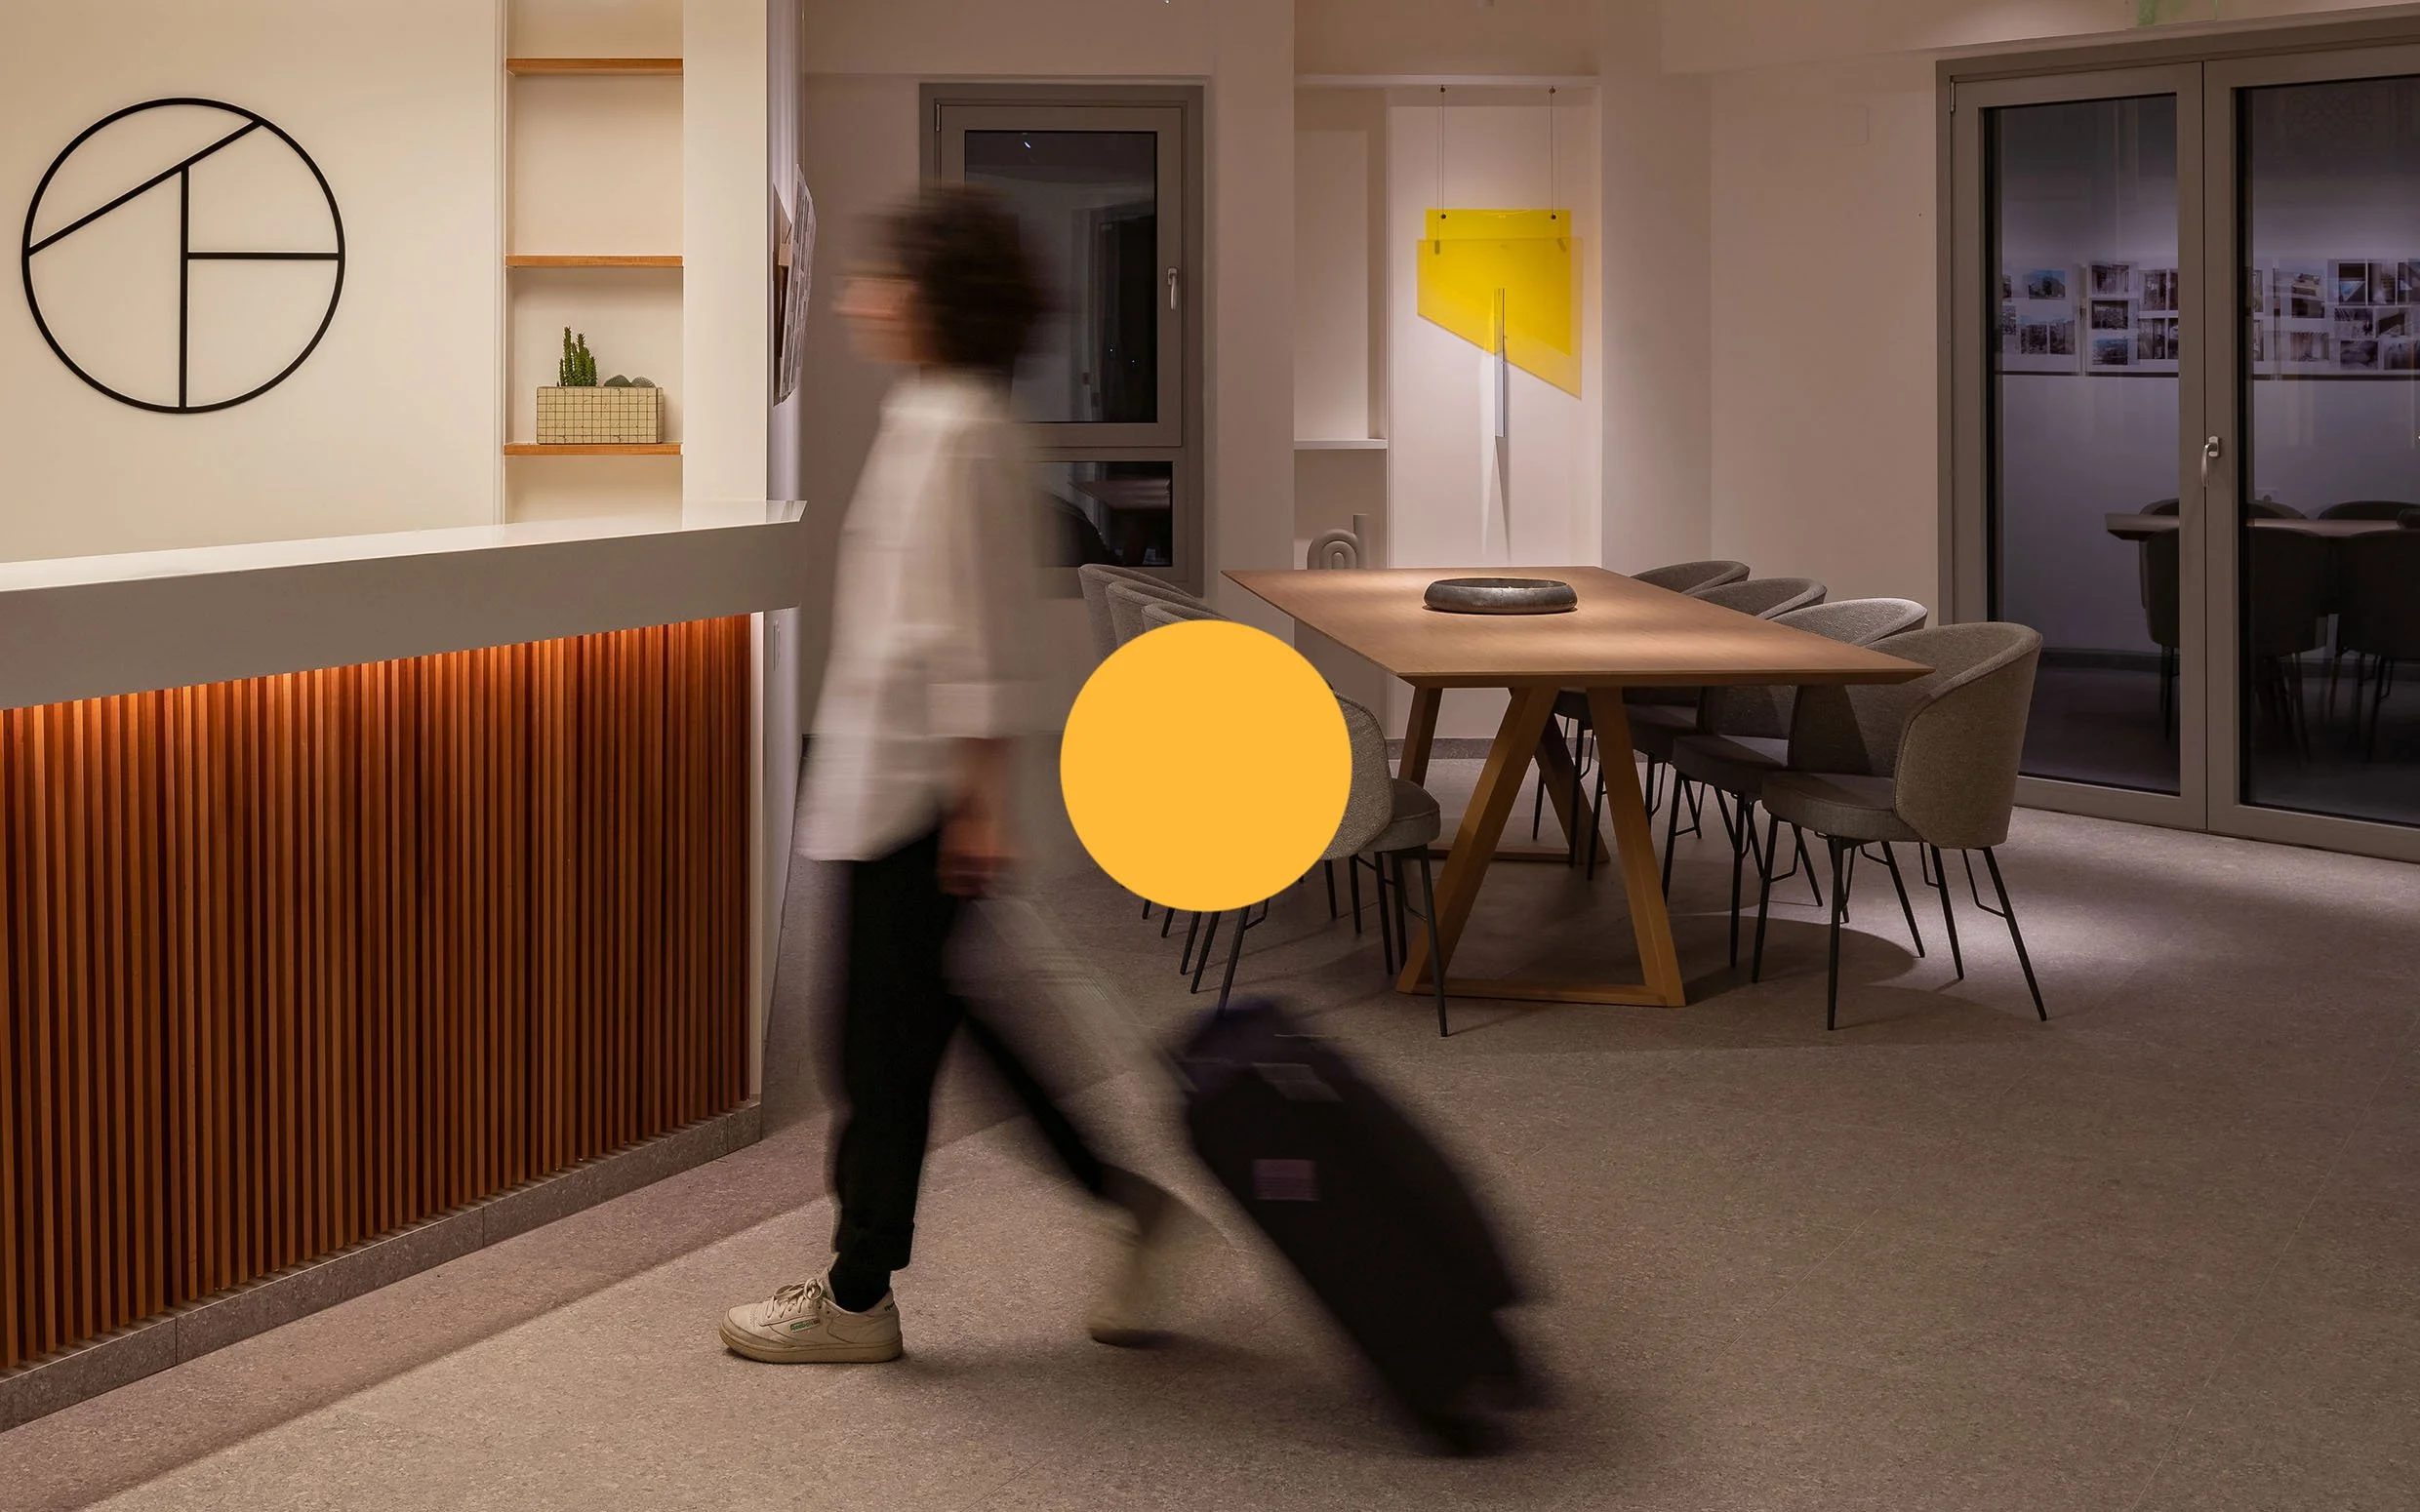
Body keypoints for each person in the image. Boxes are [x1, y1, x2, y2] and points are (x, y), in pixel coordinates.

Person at [720, 186, 1175, 1366]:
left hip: (919, 796)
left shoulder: (966, 428)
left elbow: (970, 632)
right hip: (881, 779)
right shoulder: (928, 411)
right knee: (928, 1037)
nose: (862, 296)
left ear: (936, 300)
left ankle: (859, 1294)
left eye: (884, 278)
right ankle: (1128, 1212)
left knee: (876, 1053)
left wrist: (975, 802)